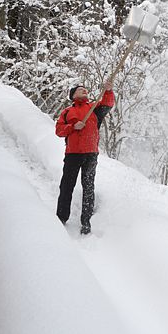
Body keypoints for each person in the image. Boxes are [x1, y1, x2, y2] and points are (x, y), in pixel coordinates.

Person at [55, 82, 115, 234]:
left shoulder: (94, 108)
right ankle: (61, 217)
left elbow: (108, 104)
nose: (84, 90)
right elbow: (59, 130)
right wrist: (72, 127)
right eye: (80, 90)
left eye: (85, 89)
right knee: (67, 186)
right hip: (73, 154)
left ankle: (86, 222)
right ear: (73, 95)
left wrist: (108, 91)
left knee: (88, 187)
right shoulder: (67, 112)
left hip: (90, 154)